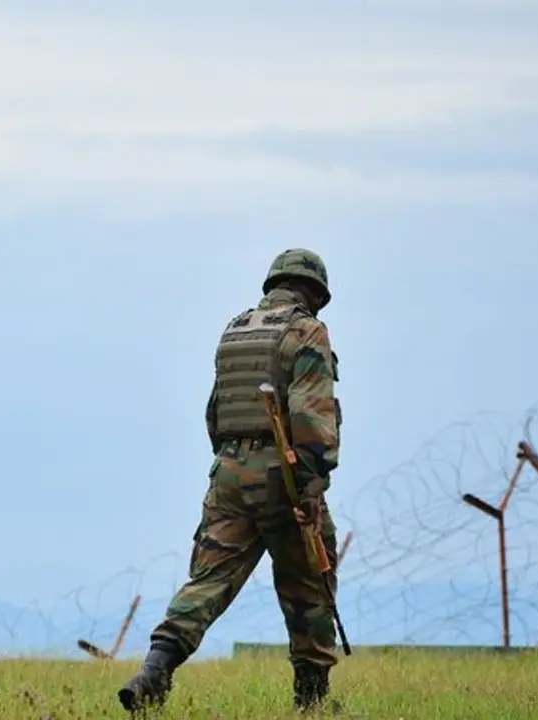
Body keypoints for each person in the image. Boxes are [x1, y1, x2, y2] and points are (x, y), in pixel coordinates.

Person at [117, 248, 343, 714]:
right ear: (316, 293)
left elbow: (215, 412)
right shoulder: (307, 331)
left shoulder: (235, 331)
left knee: (208, 580)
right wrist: (309, 487)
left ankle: (155, 671)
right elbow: (312, 417)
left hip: (228, 472)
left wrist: (234, 463)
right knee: (309, 581)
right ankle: (312, 702)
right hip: (282, 470)